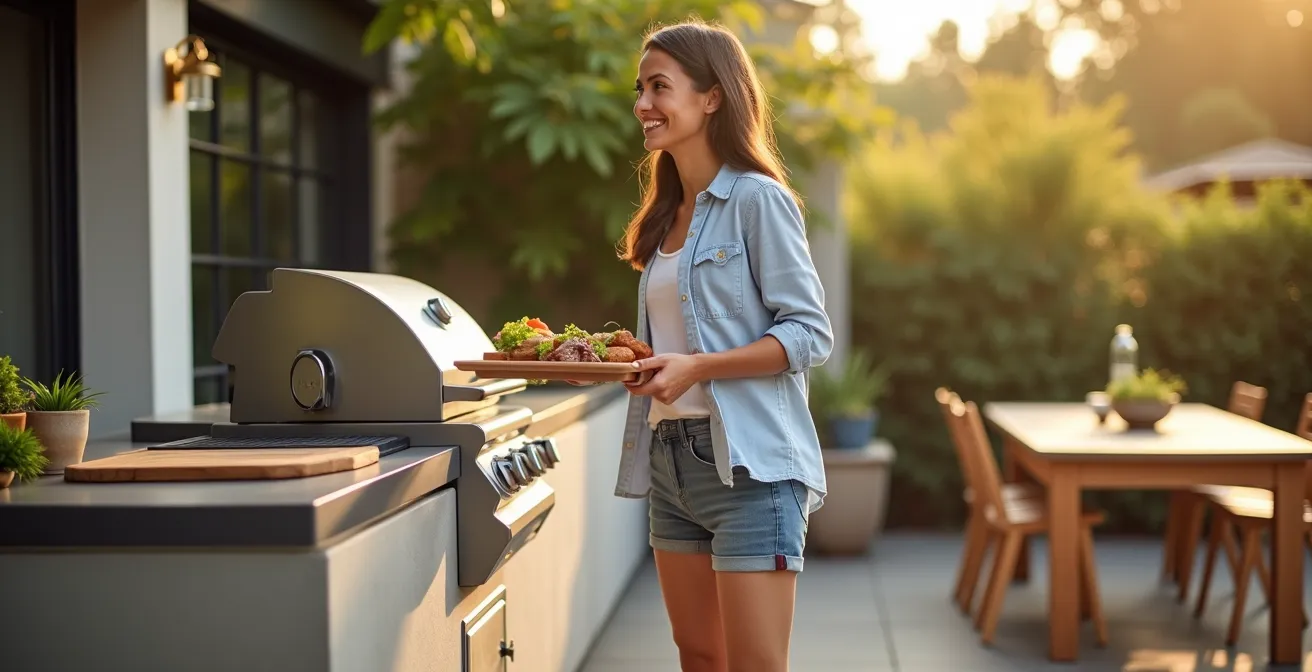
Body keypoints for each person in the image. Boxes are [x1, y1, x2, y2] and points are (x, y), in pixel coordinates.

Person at [613, 19, 833, 672]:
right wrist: (636, 363)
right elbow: (677, 347)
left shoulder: (757, 200)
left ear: (713, 96)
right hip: (670, 459)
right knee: (699, 657)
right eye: (640, 88)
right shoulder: (667, 214)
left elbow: (808, 333)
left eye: (660, 87)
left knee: (754, 665)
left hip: (750, 468)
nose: (643, 104)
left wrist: (698, 367)